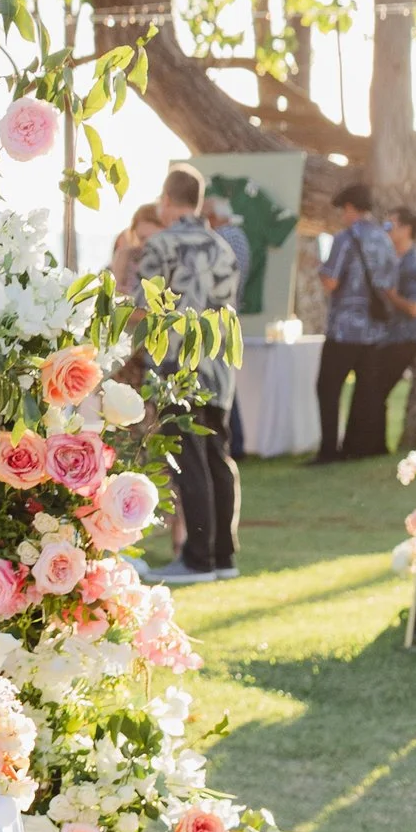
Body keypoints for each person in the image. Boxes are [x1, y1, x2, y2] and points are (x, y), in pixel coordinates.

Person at [135, 168, 244, 580]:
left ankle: (197, 559)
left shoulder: (160, 245)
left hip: (175, 368)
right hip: (219, 367)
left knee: (189, 461)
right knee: (217, 458)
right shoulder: (223, 248)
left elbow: (144, 311)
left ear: (166, 198)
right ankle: (222, 556)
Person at [315, 186, 416, 462]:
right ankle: (361, 447)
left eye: (344, 209)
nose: (343, 215)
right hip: (375, 330)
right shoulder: (384, 240)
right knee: (366, 391)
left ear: (351, 208)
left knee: (328, 388)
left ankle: (330, 450)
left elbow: (331, 281)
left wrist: (321, 268)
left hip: (344, 328)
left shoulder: (345, 238)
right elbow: (388, 284)